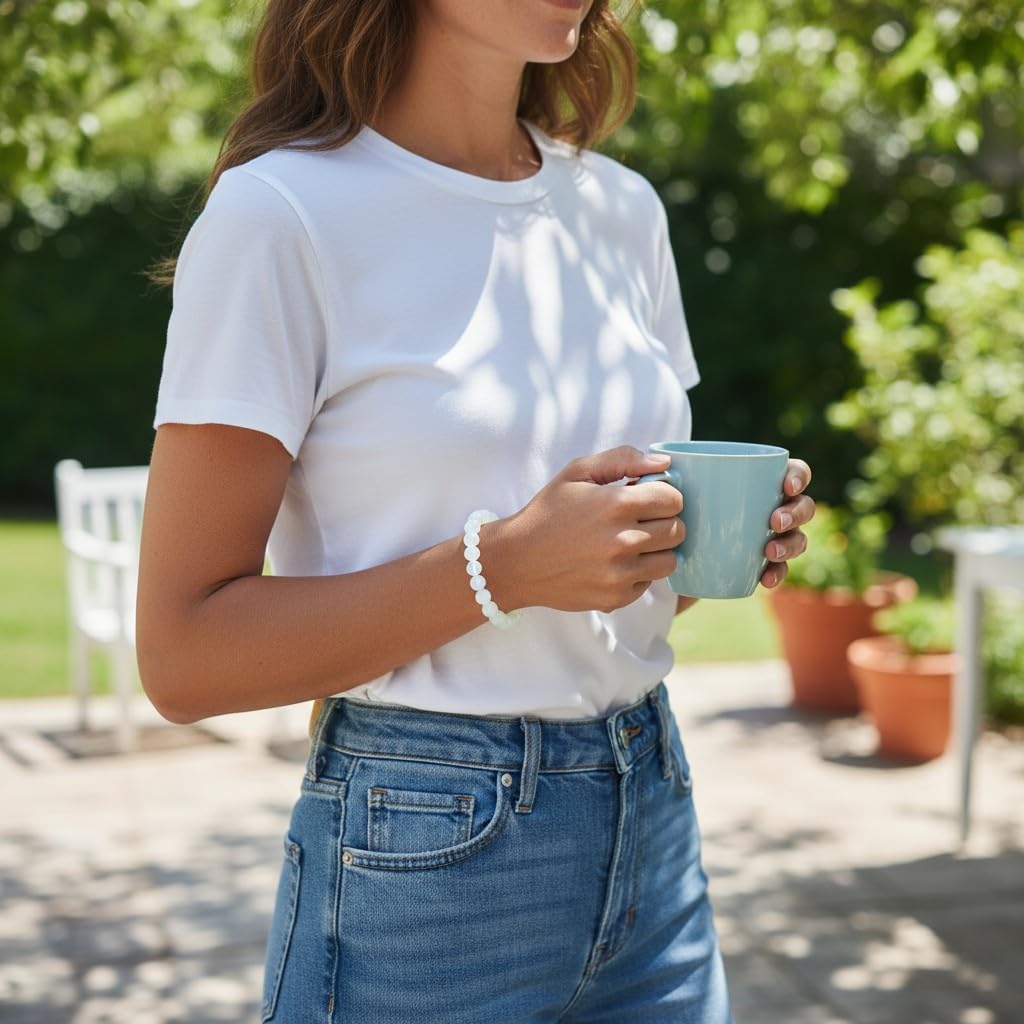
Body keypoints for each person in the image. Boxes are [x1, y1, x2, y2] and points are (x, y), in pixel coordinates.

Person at [137, 0, 815, 1020]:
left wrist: (695, 548)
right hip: (424, 850)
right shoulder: (279, 215)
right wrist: (504, 565)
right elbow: (183, 656)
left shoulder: (620, 209)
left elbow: (595, 600)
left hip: (652, 819)